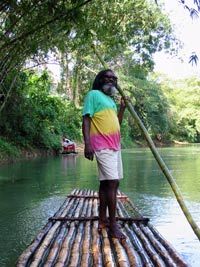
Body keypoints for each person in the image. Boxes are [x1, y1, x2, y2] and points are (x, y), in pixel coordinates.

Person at [82, 69, 127, 240]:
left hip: (115, 146)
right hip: (102, 145)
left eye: (114, 79)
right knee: (113, 183)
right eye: (107, 77)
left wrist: (122, 108)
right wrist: (87, 144)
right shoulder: (93, 95)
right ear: (100, 80)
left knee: (105, 183)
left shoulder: (110, 101)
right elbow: (86, 119)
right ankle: (113, 225)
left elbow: (117, 122)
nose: (111, 80)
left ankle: (103, 219)